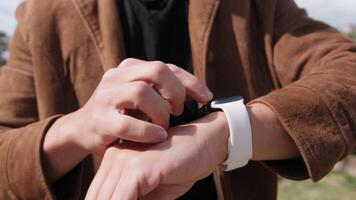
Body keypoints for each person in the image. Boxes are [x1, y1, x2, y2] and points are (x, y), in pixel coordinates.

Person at [0, 0, 355, 199]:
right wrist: (77, 128)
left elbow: (348, 73)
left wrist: (228, 133)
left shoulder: (257, 7)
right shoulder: (44, 14)